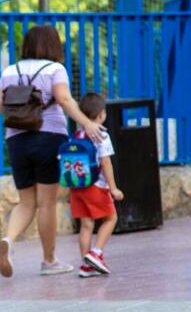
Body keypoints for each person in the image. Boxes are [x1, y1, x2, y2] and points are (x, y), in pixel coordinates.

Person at [0, 25, 104, 277]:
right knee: (46, 204)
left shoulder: (9, 71)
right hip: (48, 138)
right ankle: (49, 260)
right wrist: (86, 122)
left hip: (16, 141)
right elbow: (63, 100)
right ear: (53, 45)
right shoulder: (55, 69)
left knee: (26, 201)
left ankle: (8, 240)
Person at [69, 93, 124, 278]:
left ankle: (86, 265)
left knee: (86, 225)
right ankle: (96, 253)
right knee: (111, 218)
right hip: (96, 186)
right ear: (101, 114)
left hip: (78, 187)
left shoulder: (77, 135)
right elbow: (106, 162)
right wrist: (113, 187)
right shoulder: (101, 135)